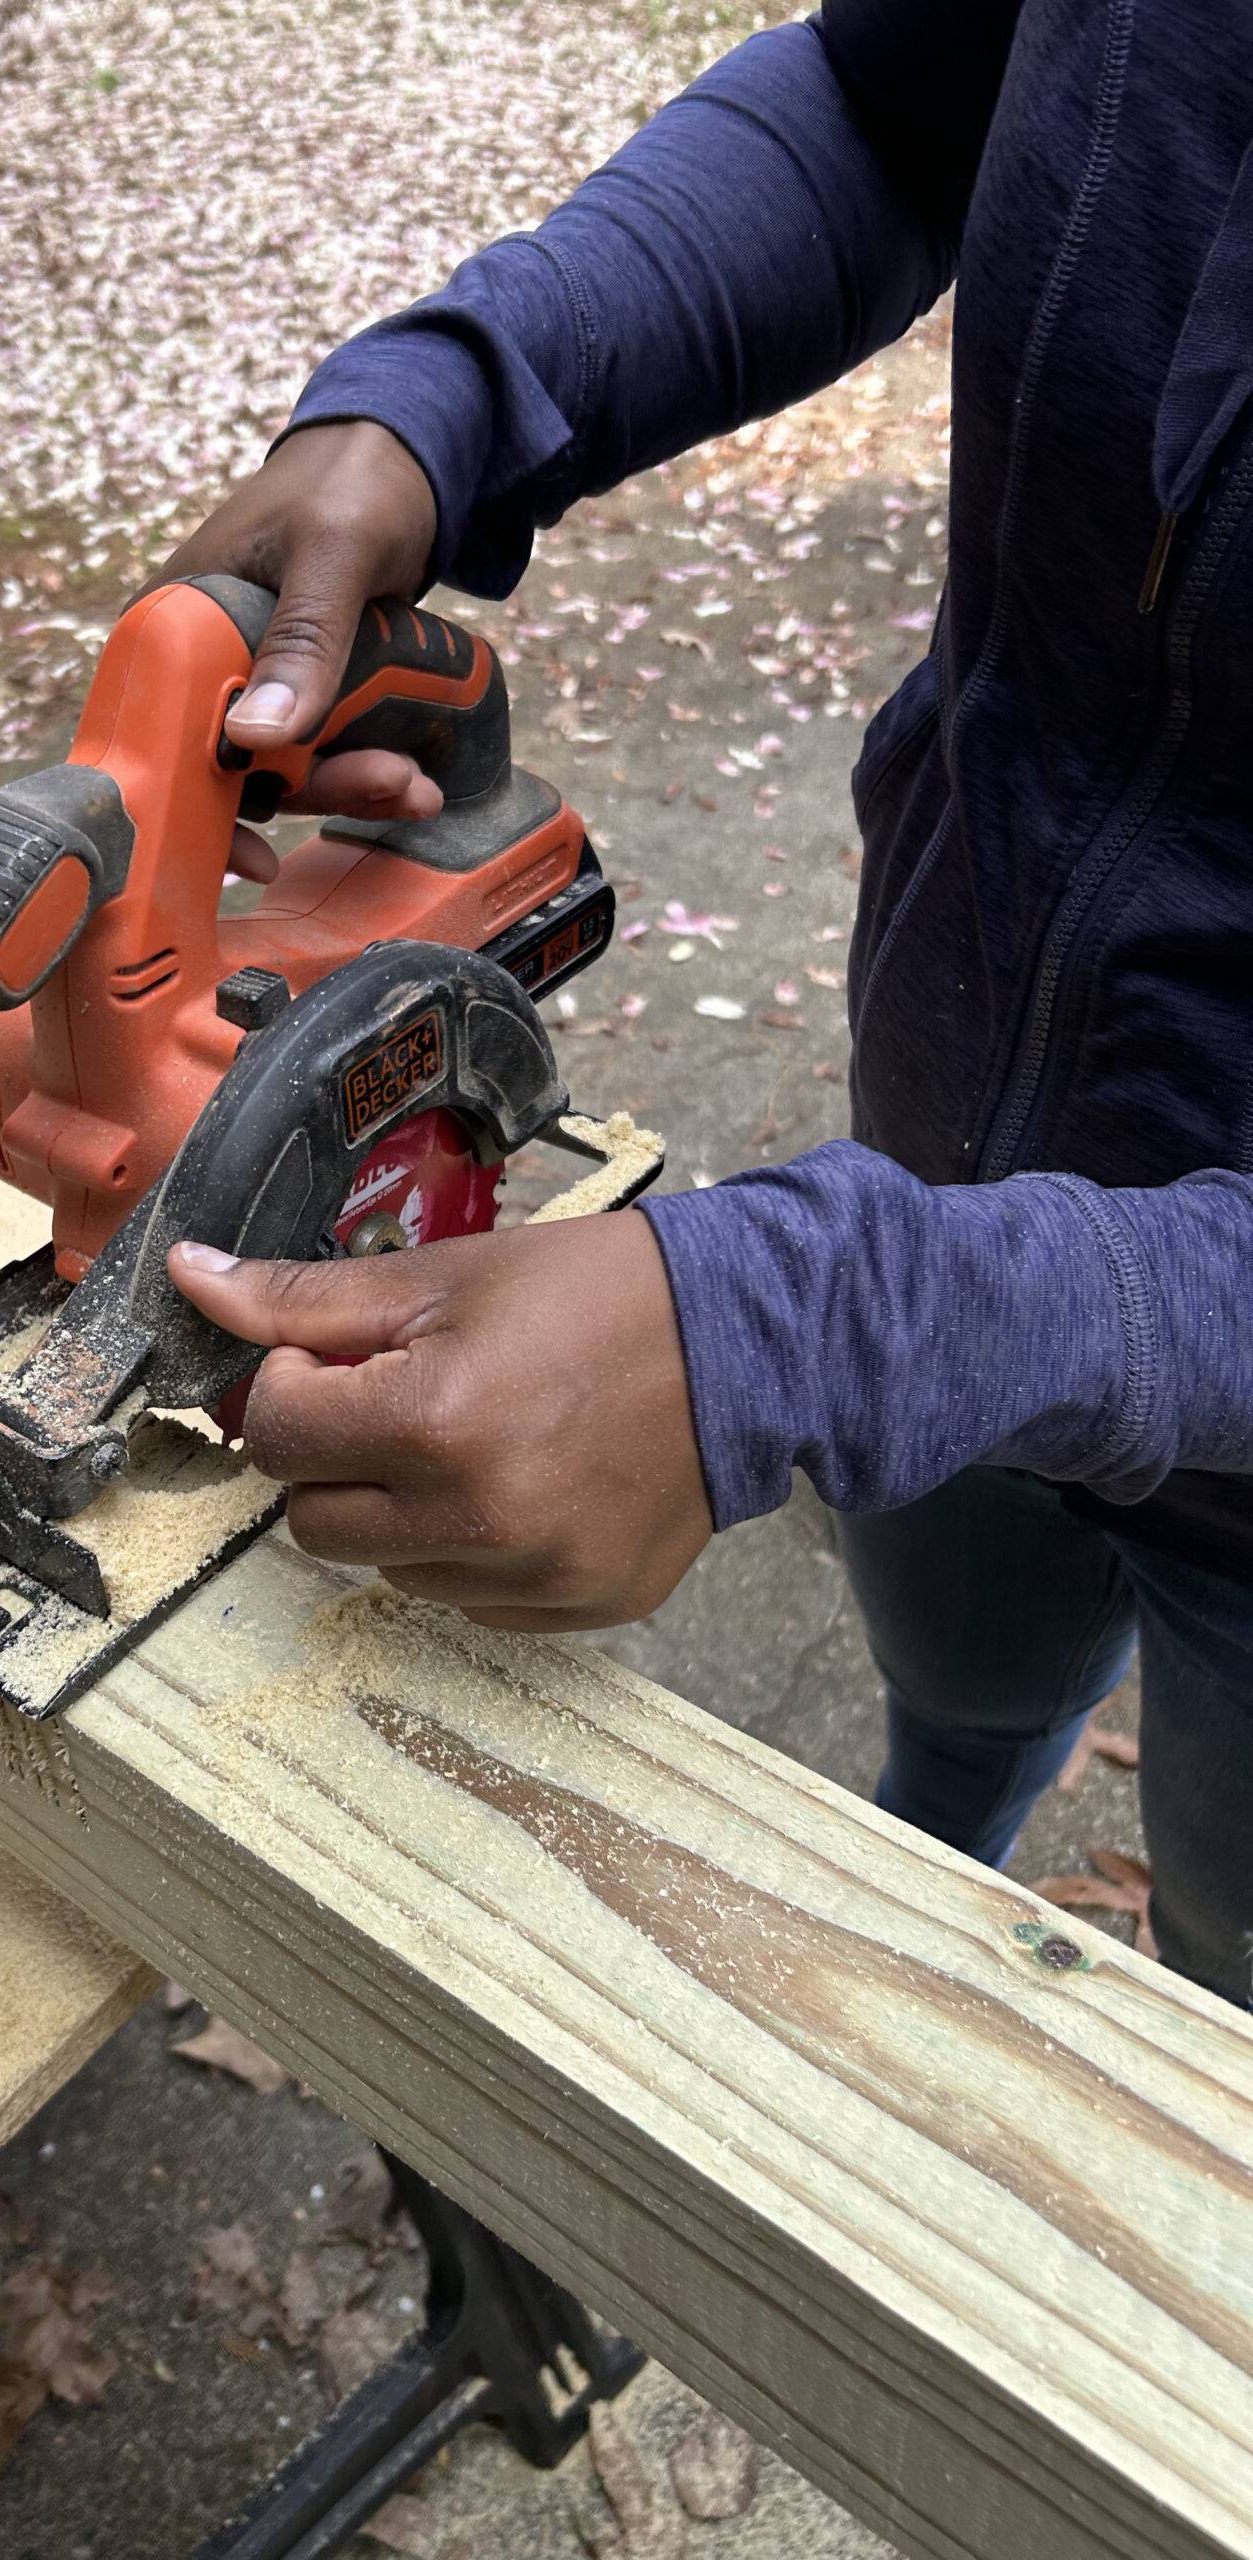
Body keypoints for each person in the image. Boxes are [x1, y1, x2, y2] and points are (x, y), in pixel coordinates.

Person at [156, 0, 1253, 2009]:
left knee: (1226, 1961)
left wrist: (810, 1321)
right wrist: (451, 396)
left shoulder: (848, 1314)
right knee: (960, 1670)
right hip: (947, 1132)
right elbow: (893, 100)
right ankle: (945, 1824)